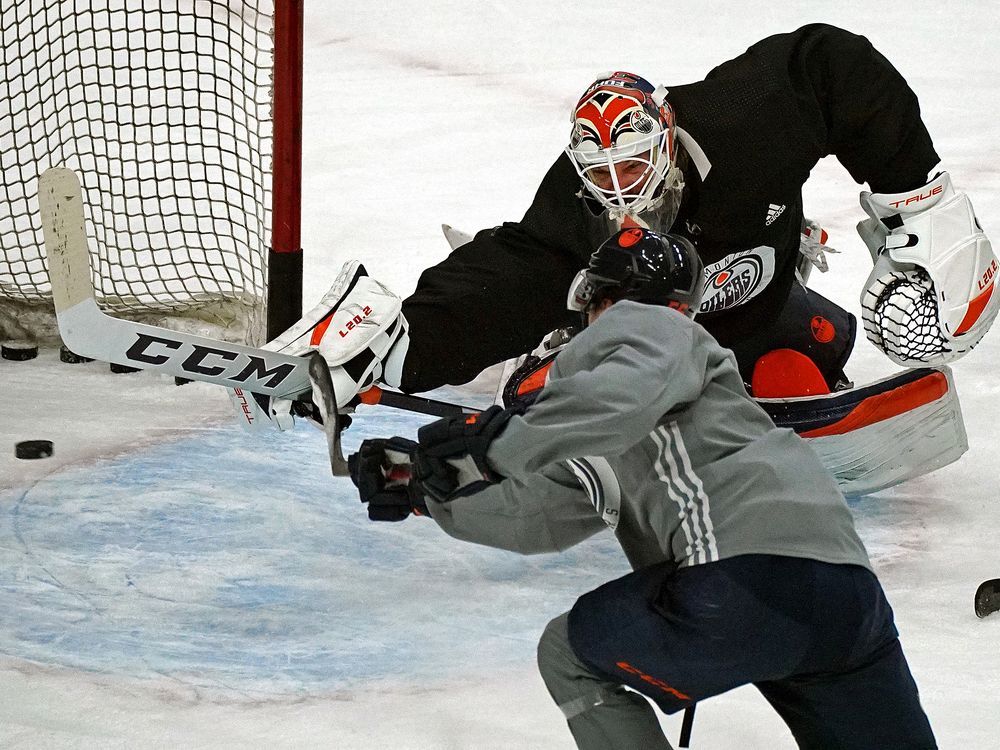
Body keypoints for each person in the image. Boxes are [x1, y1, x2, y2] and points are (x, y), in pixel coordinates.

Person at [238, 23, 995, 429]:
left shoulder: (744, 123)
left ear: (667, 135)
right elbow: (506, 274)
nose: (620, 193)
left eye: (633, 169)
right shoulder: (575, 210)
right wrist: (400, 349)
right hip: (645, 347)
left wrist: (923, 206)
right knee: (547, 396)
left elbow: (832, 66)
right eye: (600, 177)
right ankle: (554, 353)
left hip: (750, 317)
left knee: (815, 357)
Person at [349, 227, 938, 749]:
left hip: (745, 579)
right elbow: (549, 511)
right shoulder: (670, 415)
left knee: (570, 656)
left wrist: (501, 442)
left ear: (599, 301)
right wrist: (431, 489)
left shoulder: (649, 327)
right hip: (850, 604)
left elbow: (616, 396)